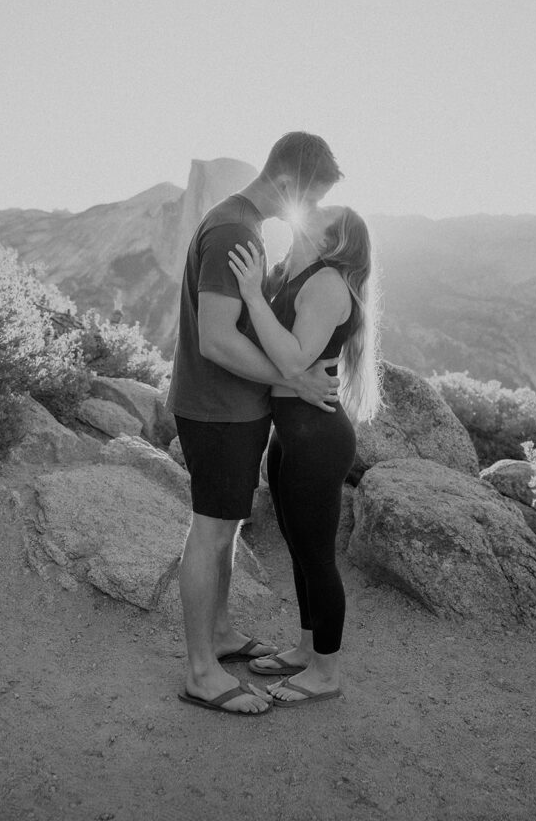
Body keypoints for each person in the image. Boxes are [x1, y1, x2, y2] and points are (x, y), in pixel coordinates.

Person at [166, 132, 344, 716]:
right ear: (291, 184)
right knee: (211, 532)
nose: (313, 211)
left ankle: (216, 636)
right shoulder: (233, 231)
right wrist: (293, 380)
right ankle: (200, 671)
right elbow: (216, 339)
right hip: (217, 410)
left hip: (235, 410)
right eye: (313, 198)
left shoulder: (242, 225)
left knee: (227, 532)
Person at [227, 202, 381, 706]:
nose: (308, 213)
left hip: (316, 437)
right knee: (299, 549)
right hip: (291, 431)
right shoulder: (307, 275)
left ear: (335, 239)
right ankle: (306, 650)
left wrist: (251, 294)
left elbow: (293, 358)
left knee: (317, 557)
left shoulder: (329, 284)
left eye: (322, 215)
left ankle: (326, 674)